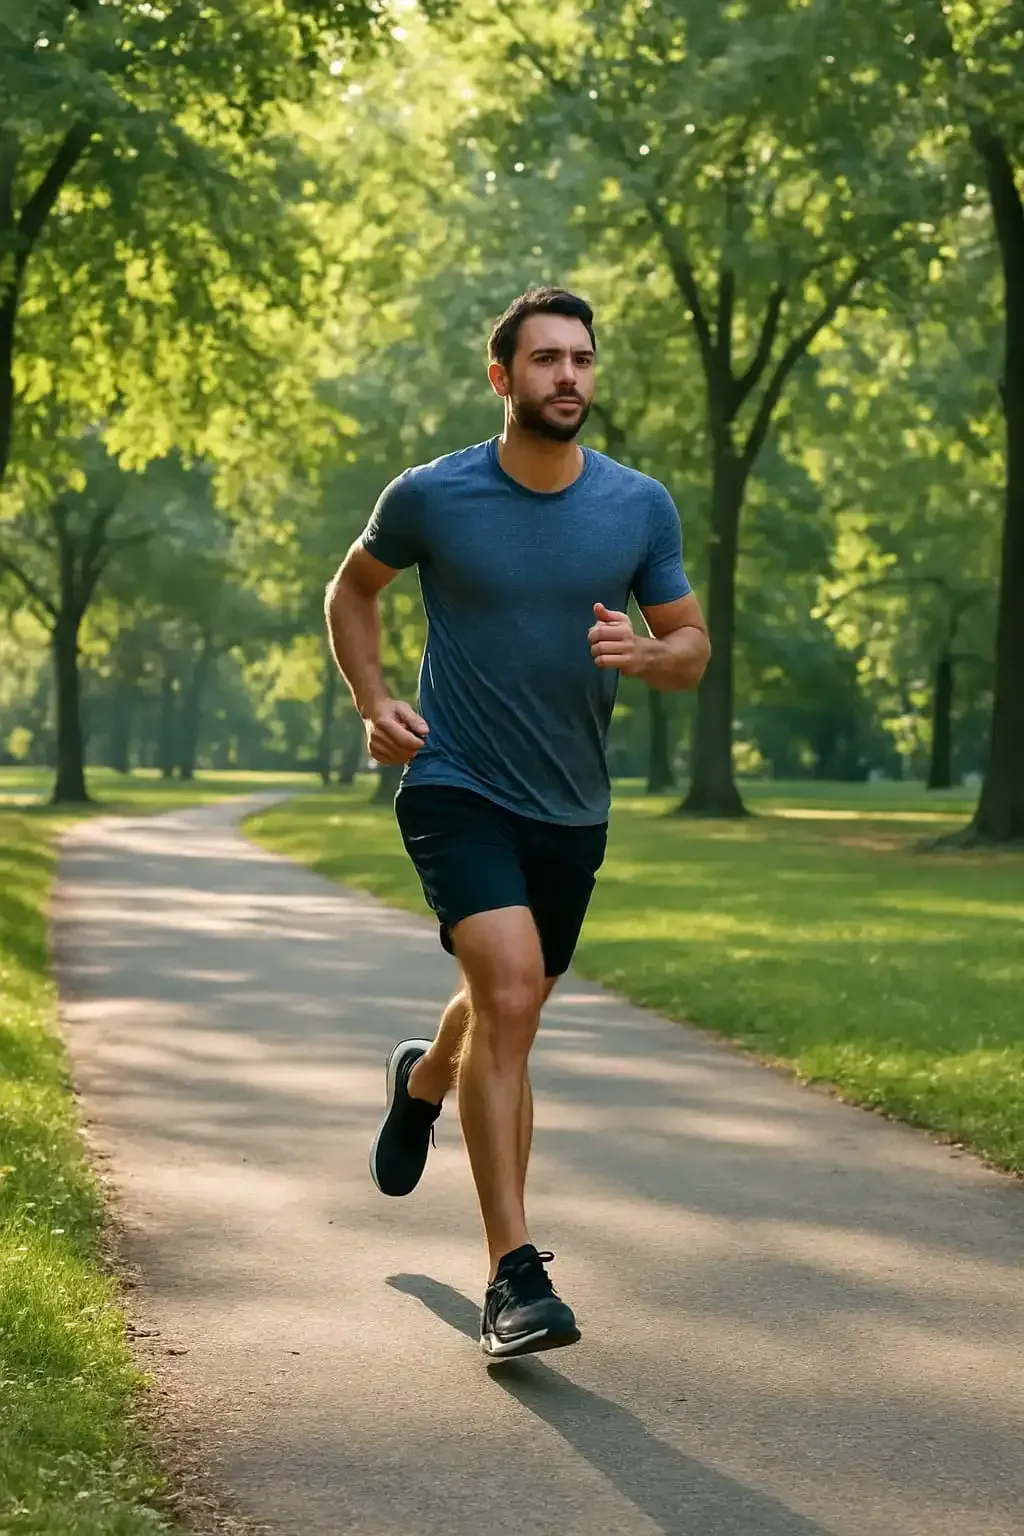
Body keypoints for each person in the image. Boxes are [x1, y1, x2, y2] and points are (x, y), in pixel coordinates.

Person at [324, 287, 709, 1360]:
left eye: (582, 359)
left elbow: (690, 646)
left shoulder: (638, 507)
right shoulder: (432, 496)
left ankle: (423, 1077)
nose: (569, 377)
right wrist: (371, 701)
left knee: (514, 994)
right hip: (454, 779)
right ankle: (513, 1277)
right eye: (546, 360)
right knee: (508, 990)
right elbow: (351, 592)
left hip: (571, 800)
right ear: (503, 379)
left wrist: (650, 656)